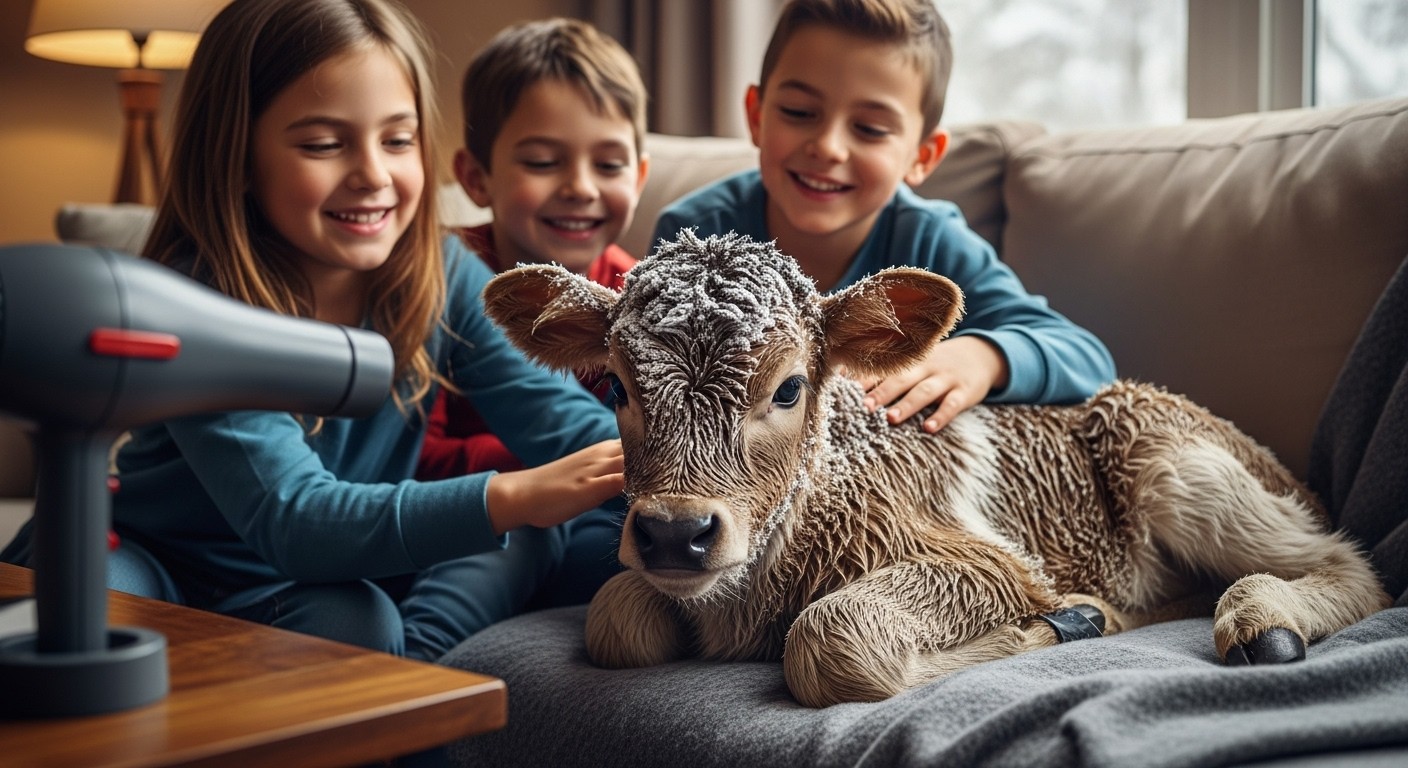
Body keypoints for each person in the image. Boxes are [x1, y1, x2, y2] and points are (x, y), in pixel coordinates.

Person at [1, 0, 624, 663]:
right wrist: (513, 493)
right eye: (324, 144)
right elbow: (294, 516)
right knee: (85, 622)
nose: (373, 175)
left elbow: (557, 419)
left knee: (361, 625)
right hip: (154, 557)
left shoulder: (443, 275)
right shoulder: (199, 298)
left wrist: (688, 468)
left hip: (289, 584)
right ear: (237, 156)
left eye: (398, 139)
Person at [651, 0, 1115, 432]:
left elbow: (1087, 358)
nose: (828, 147)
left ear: (923, 156)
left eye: (870, 129)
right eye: (799, 112)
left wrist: (982, 356)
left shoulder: (931, 241)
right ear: (756, 115)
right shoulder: (694, 232)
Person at [417, 16, 649, 481]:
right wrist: (546, 467)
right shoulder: (436, 281)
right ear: (475, 179)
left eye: (608, 164)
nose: (581, 187)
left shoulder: (644, 301)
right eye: (543, 162)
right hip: (479, 516)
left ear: (639, 177)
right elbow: (414, 456)